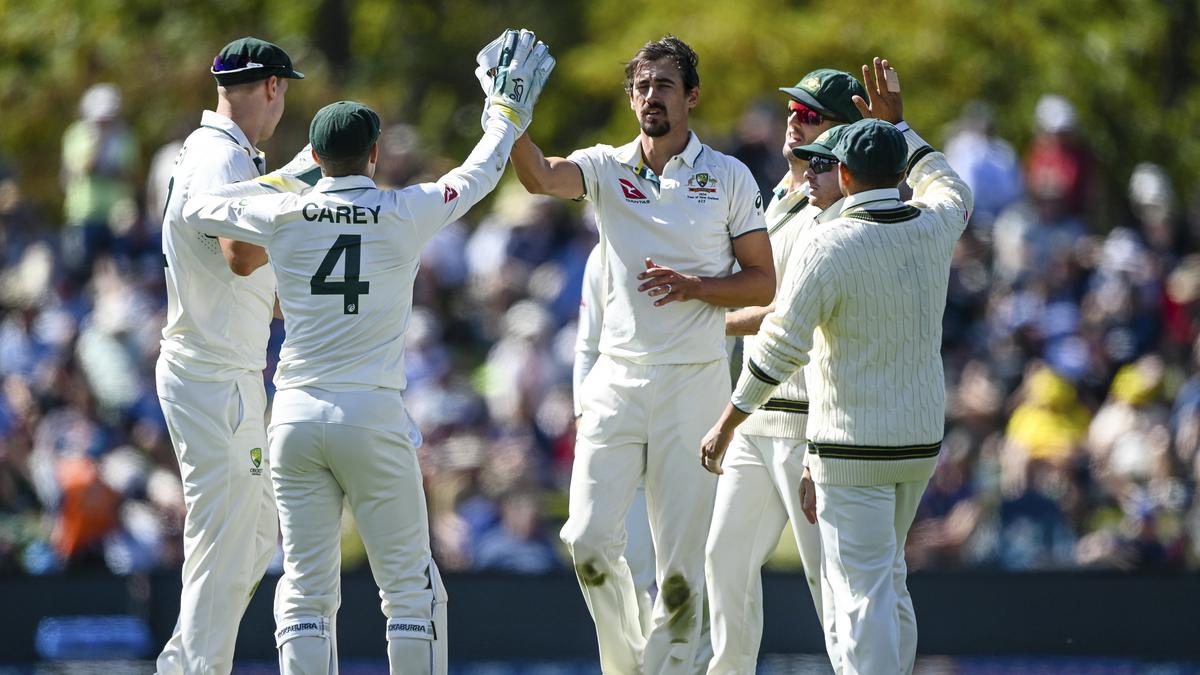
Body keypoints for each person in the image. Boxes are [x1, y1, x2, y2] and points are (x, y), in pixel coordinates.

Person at [182, 29, 555, 675]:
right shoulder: (405, 210)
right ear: (376, 154)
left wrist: (289, 175)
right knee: (410, 588)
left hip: (295, 418)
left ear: (319, 155)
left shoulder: (284, 213)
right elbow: (483, 169)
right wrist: (505, 108)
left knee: (304, 588)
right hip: (373, 415)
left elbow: (199, 207)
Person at [504, 35, 774, 674]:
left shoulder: (728, 176)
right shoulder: (605, 166)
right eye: (643, 86)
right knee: (590, 543)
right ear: (631, 97)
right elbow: (540, 176)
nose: (652, 96)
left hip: (695, 385)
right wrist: (509, 114)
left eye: (665, 86)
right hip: (618, 381)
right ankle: (627, 666)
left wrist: (698, 289)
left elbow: (764, 282)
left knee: (681, 574)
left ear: (692, 97)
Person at [700, 57, 973, 675]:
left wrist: (726, 418)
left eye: (815, 127)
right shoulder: (934, 225)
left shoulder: (832, 236)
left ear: (845, 168)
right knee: (877, 579)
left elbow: (779, 341)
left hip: (839, 436)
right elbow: (953, 187)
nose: (798, 132)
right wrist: (904, 132)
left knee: (856, 594)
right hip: (915, 438)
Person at [705, 68, 865, 675]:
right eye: (795, 111)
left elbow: (785, 314)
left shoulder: (839, 210)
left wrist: (704, 318)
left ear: (843, 133)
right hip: (756, 415)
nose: (796, 121)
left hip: (807, 420)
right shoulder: (781, 192)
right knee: (723, 560)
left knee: (831, 586)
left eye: (813, 116)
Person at [155, 36, 303, 675]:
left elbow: (248, 279)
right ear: (272, 87)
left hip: (221, 369)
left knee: (251, 534)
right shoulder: (220, 159)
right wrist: (307, 197)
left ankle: (185, 661)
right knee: (226, 537)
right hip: (212, 374)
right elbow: (240, 253)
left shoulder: (223, 152)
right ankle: (194, 669)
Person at [574, 243, 656, 634]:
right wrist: (583, 416)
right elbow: (588, 346)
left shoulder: (710, 239)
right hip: (624, 430)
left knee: (695, 574)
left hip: (697, 429)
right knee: (628, 562)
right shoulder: (602, 256)